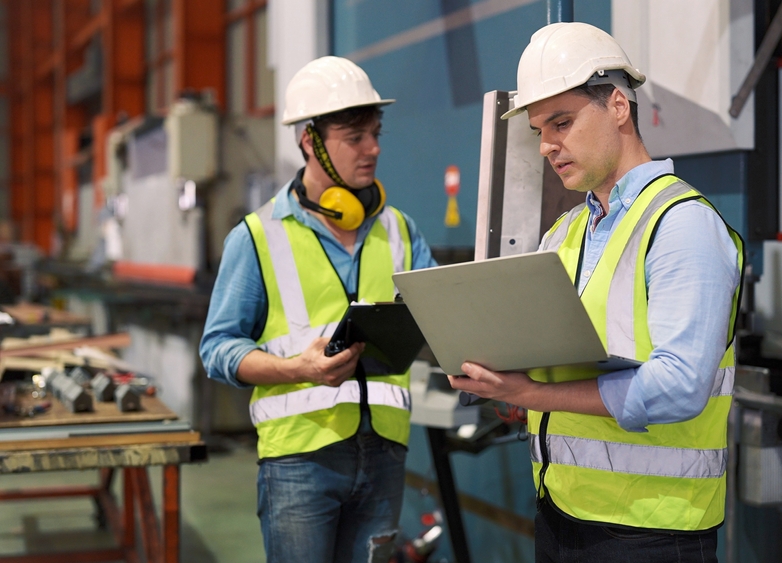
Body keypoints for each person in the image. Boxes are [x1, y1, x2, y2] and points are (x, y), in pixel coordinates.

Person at [448, 22, 744, 563]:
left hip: (652, 529)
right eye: (540, 129)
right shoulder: (565, 234)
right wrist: (510, 389)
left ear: (617, 106)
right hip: (562, 514)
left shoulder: (682, 225)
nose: (546, 146)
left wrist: (532, 395)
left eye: (561, 122)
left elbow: (679, 387)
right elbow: (567, 363)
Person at [200, 56, 436, 563]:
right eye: (355, 137)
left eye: (375, 133)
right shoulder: (258, 237)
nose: (372, 148)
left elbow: (443, 316)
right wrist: (297, 368)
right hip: (298, 461)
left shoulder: (400, 230)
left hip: (385, 453)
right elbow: (217, 350)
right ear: (310, 141)